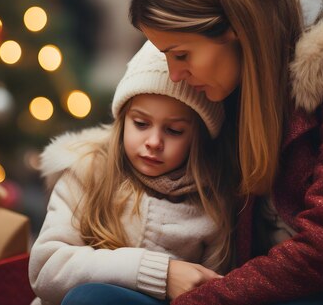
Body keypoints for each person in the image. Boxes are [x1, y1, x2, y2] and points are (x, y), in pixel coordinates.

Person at [62, 0, 323, 305]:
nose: (175, 77)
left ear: (235, 28)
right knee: (92, 298)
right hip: (246, 283)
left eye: (181, 55)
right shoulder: (227, 76)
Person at [29, 40, 236, 305]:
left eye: (174, 130)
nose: (153, 141)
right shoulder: (87, 172)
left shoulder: (212, 205)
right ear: (123, 120)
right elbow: (46, 269)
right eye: (140, 123)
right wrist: (160, 274)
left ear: (199, 139)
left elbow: (212, 289)